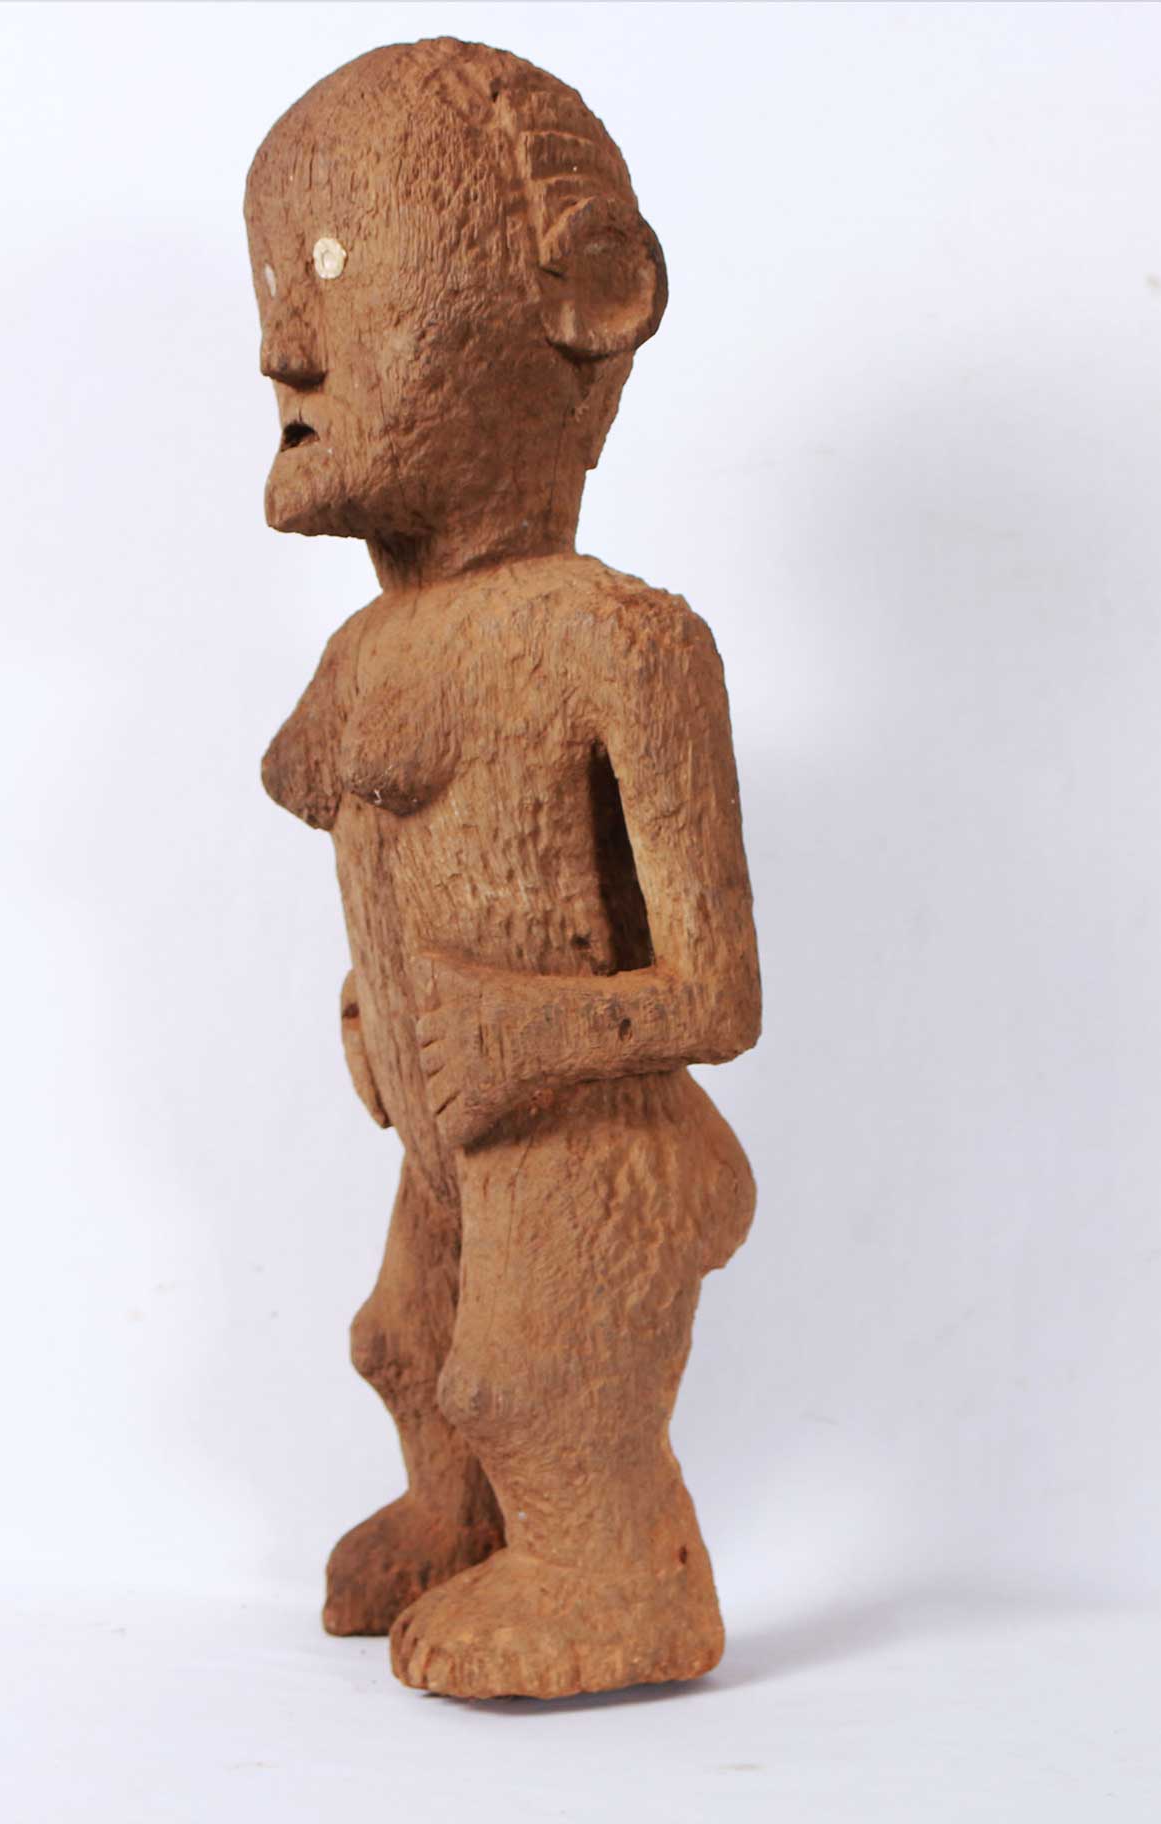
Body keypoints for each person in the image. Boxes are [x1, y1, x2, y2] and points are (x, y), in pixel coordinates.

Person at [250, 38, 761, 1700]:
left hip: (577, 1142)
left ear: (590, 296)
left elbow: (719, 994)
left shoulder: (625, 641)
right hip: (446, 1134)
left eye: (340, 265)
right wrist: (371, 1000)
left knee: (528, 1375)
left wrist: (533, 1030)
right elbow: (353, 826)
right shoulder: (361, 654)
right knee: (409, 1345)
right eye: (273, 280)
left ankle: (614, 1578)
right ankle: (459, 1517)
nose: (282, 345)